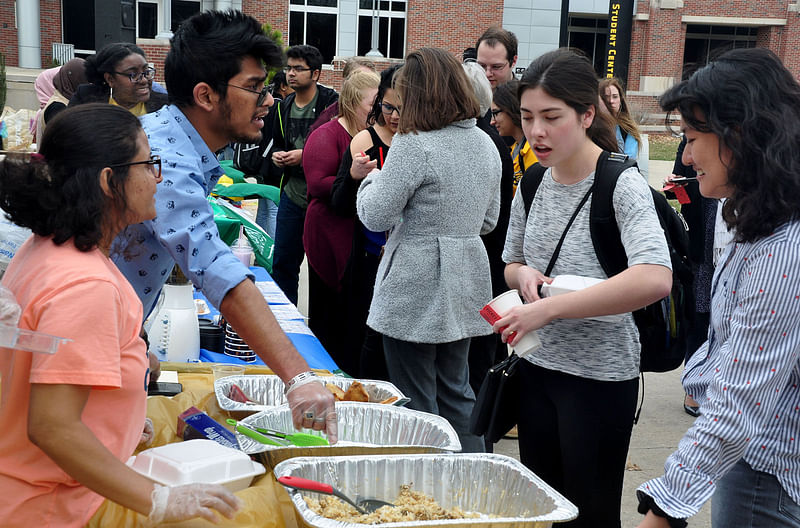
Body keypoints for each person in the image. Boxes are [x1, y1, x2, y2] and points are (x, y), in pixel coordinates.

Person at [0, 103, 241, 526]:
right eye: (149, 165)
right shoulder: (85, 286)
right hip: (56, 505)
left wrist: (117, 421)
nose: (158, 178)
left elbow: (47, 369)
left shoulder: (53, 247)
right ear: (110, 181)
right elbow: (53, 427)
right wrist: (159, 501)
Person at [110, 11, 337, 439]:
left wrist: (130, 340)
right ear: (206, 95)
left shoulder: (170, 139)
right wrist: (298, 377)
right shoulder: (165, 160)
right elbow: (216, 269)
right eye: (254, 87)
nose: (269, 100)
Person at [493, 48, 672, 527]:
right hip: (535, 367)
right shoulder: (532, 180)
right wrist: (523, 276)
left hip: (600, 378)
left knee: (589, 514)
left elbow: (655, 276)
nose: (537, 131)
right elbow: (510, 260)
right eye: (528, 116)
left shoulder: (621, 184)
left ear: (587, 114)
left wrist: (551, 310)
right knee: (542, 505)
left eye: (552, 117)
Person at [634, 47, 800, 528]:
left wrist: (664, 509)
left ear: (739, 135)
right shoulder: (752, 210)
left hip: (765, 470)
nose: (684, 157)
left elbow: (739, 404)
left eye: (690, 138)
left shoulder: (782, 247)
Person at [356, 47, 502, 453]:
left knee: (415, 398)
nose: (398, 103)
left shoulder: (412, 144)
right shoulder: (485, 143)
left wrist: (370, 179)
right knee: (457, 389)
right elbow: (488, 221)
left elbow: (375, 215)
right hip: (467, 279)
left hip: (414, 282)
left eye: (403, 92)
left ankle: (426, 485)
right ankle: (475, 475)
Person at [302, 70, 380, 376]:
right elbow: (317, 183)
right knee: (328, 310)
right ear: (352, 102)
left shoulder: (372, 135)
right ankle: (324, 372)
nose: (378, 112)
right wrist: (356, 179)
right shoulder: (326, 135)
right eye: (373, 104)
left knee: (353, 313)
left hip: (358, 236)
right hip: (328, 232)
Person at [328, 64, 402, 381]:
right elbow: (339, 204)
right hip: (368, 258)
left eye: (402, 108)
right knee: (361, 336)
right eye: (388, 107)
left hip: (403, 259)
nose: (395, 116)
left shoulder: (419, 142)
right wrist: (355, 177)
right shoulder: (364, 140)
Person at [461, 60, 515, 449]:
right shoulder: (489, 140)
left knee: (476, 368)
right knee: (479, 363)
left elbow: (491, 219)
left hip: (485, 266)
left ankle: (481, 442)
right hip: (489, 263)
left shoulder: (479, 141)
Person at [269, 44, 338, 305]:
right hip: (292, 196)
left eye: (299, 69)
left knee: (322, 270)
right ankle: (285, 327)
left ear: (316, 74)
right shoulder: (283, 105)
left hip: (322, 200)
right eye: (289, 68)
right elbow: (277, 143)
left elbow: (338, 145)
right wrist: (278, 155)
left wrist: (304, 155)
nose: (291, 74)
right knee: (283, 266)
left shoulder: (331, 103)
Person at [69, 42, 168, 115]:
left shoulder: (164, 105)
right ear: (110, 79)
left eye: (146, 71)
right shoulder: (86, 99)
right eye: (133, 74)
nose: (144, 80)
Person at [491, 80, 537, 193]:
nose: (492, 121)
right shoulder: (516, 149)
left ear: (511, 108)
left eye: (496, 113)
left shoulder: (534, 152)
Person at [599, 77, 649, 178]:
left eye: (615, 97)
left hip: (621, 177)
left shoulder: (627, 128)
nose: (611, 101)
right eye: (606, 97)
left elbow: (628, 160)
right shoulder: (589, 127)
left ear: (621, 100)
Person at [35, 58, 87, 145]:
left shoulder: (66, 102)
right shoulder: (57, 107)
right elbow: (66, 141)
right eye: (84, 78)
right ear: (75, 80)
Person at [476, 26, 518, 90]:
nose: (487, 74)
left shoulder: (525, 97)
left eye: (496, 66)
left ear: (513, 61)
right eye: (481, 66)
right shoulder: (465, 95)